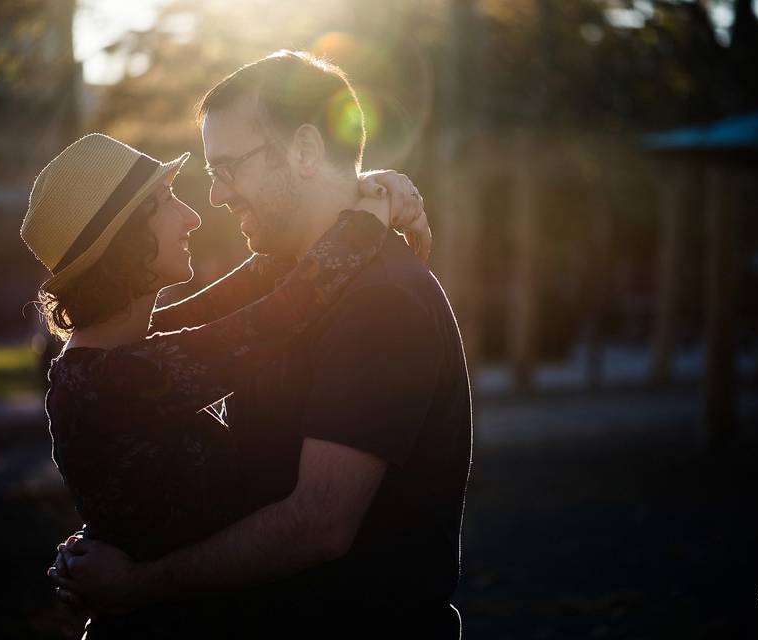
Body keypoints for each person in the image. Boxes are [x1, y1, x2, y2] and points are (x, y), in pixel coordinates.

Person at [50, 50, 472, 639]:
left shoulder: (377, 300)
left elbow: (317, 523)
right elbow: (258, 320)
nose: (212, 201)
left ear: (303, 151)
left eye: (227, 168)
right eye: (201, 179)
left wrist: (134, 581)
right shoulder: (282, 286)